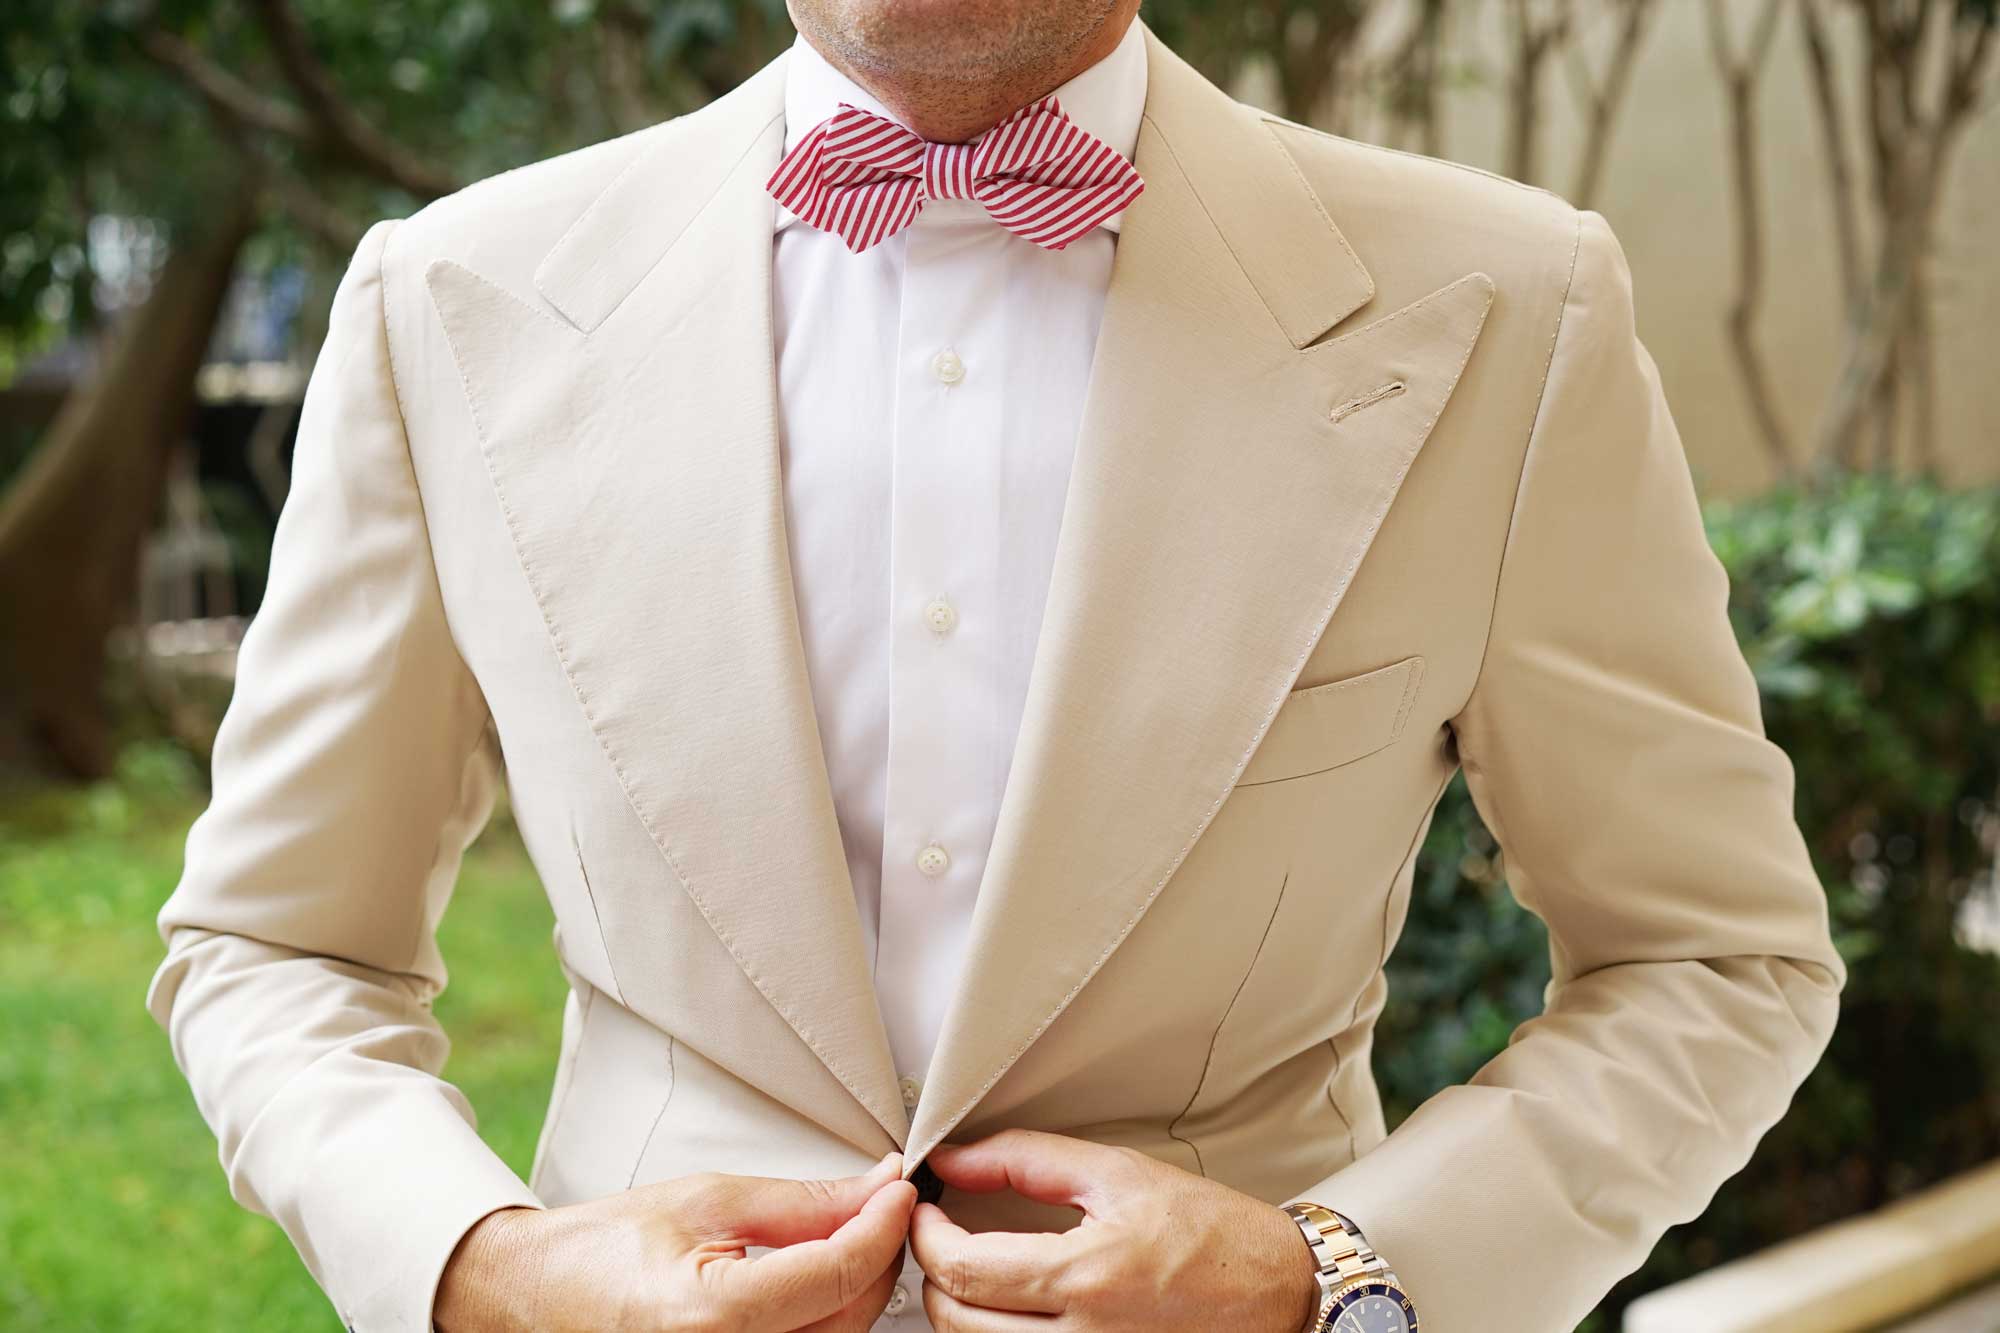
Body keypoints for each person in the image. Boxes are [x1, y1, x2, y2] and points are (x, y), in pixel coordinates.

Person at [146, 1, 1847, 1329]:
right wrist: (487, 1269)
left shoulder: (1509, 308)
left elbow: (1714, 957)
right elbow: (278, 948)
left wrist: (1332, 1275)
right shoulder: (448, 300)